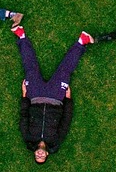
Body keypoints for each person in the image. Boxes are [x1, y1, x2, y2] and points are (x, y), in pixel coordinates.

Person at [14, 26, 94, 163]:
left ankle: (21, 36)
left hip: (35, 96)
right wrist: (68, 99)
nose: (39, 154)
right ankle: (82, 42)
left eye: (37, 156)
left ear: (34, 153)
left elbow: (24, 115)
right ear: (47, 155)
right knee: (65, 71)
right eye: (42, 157)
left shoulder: (28, 137)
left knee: (30, 69)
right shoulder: (56, 140)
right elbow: (66, 121)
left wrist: (24, 95)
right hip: (56, 98)